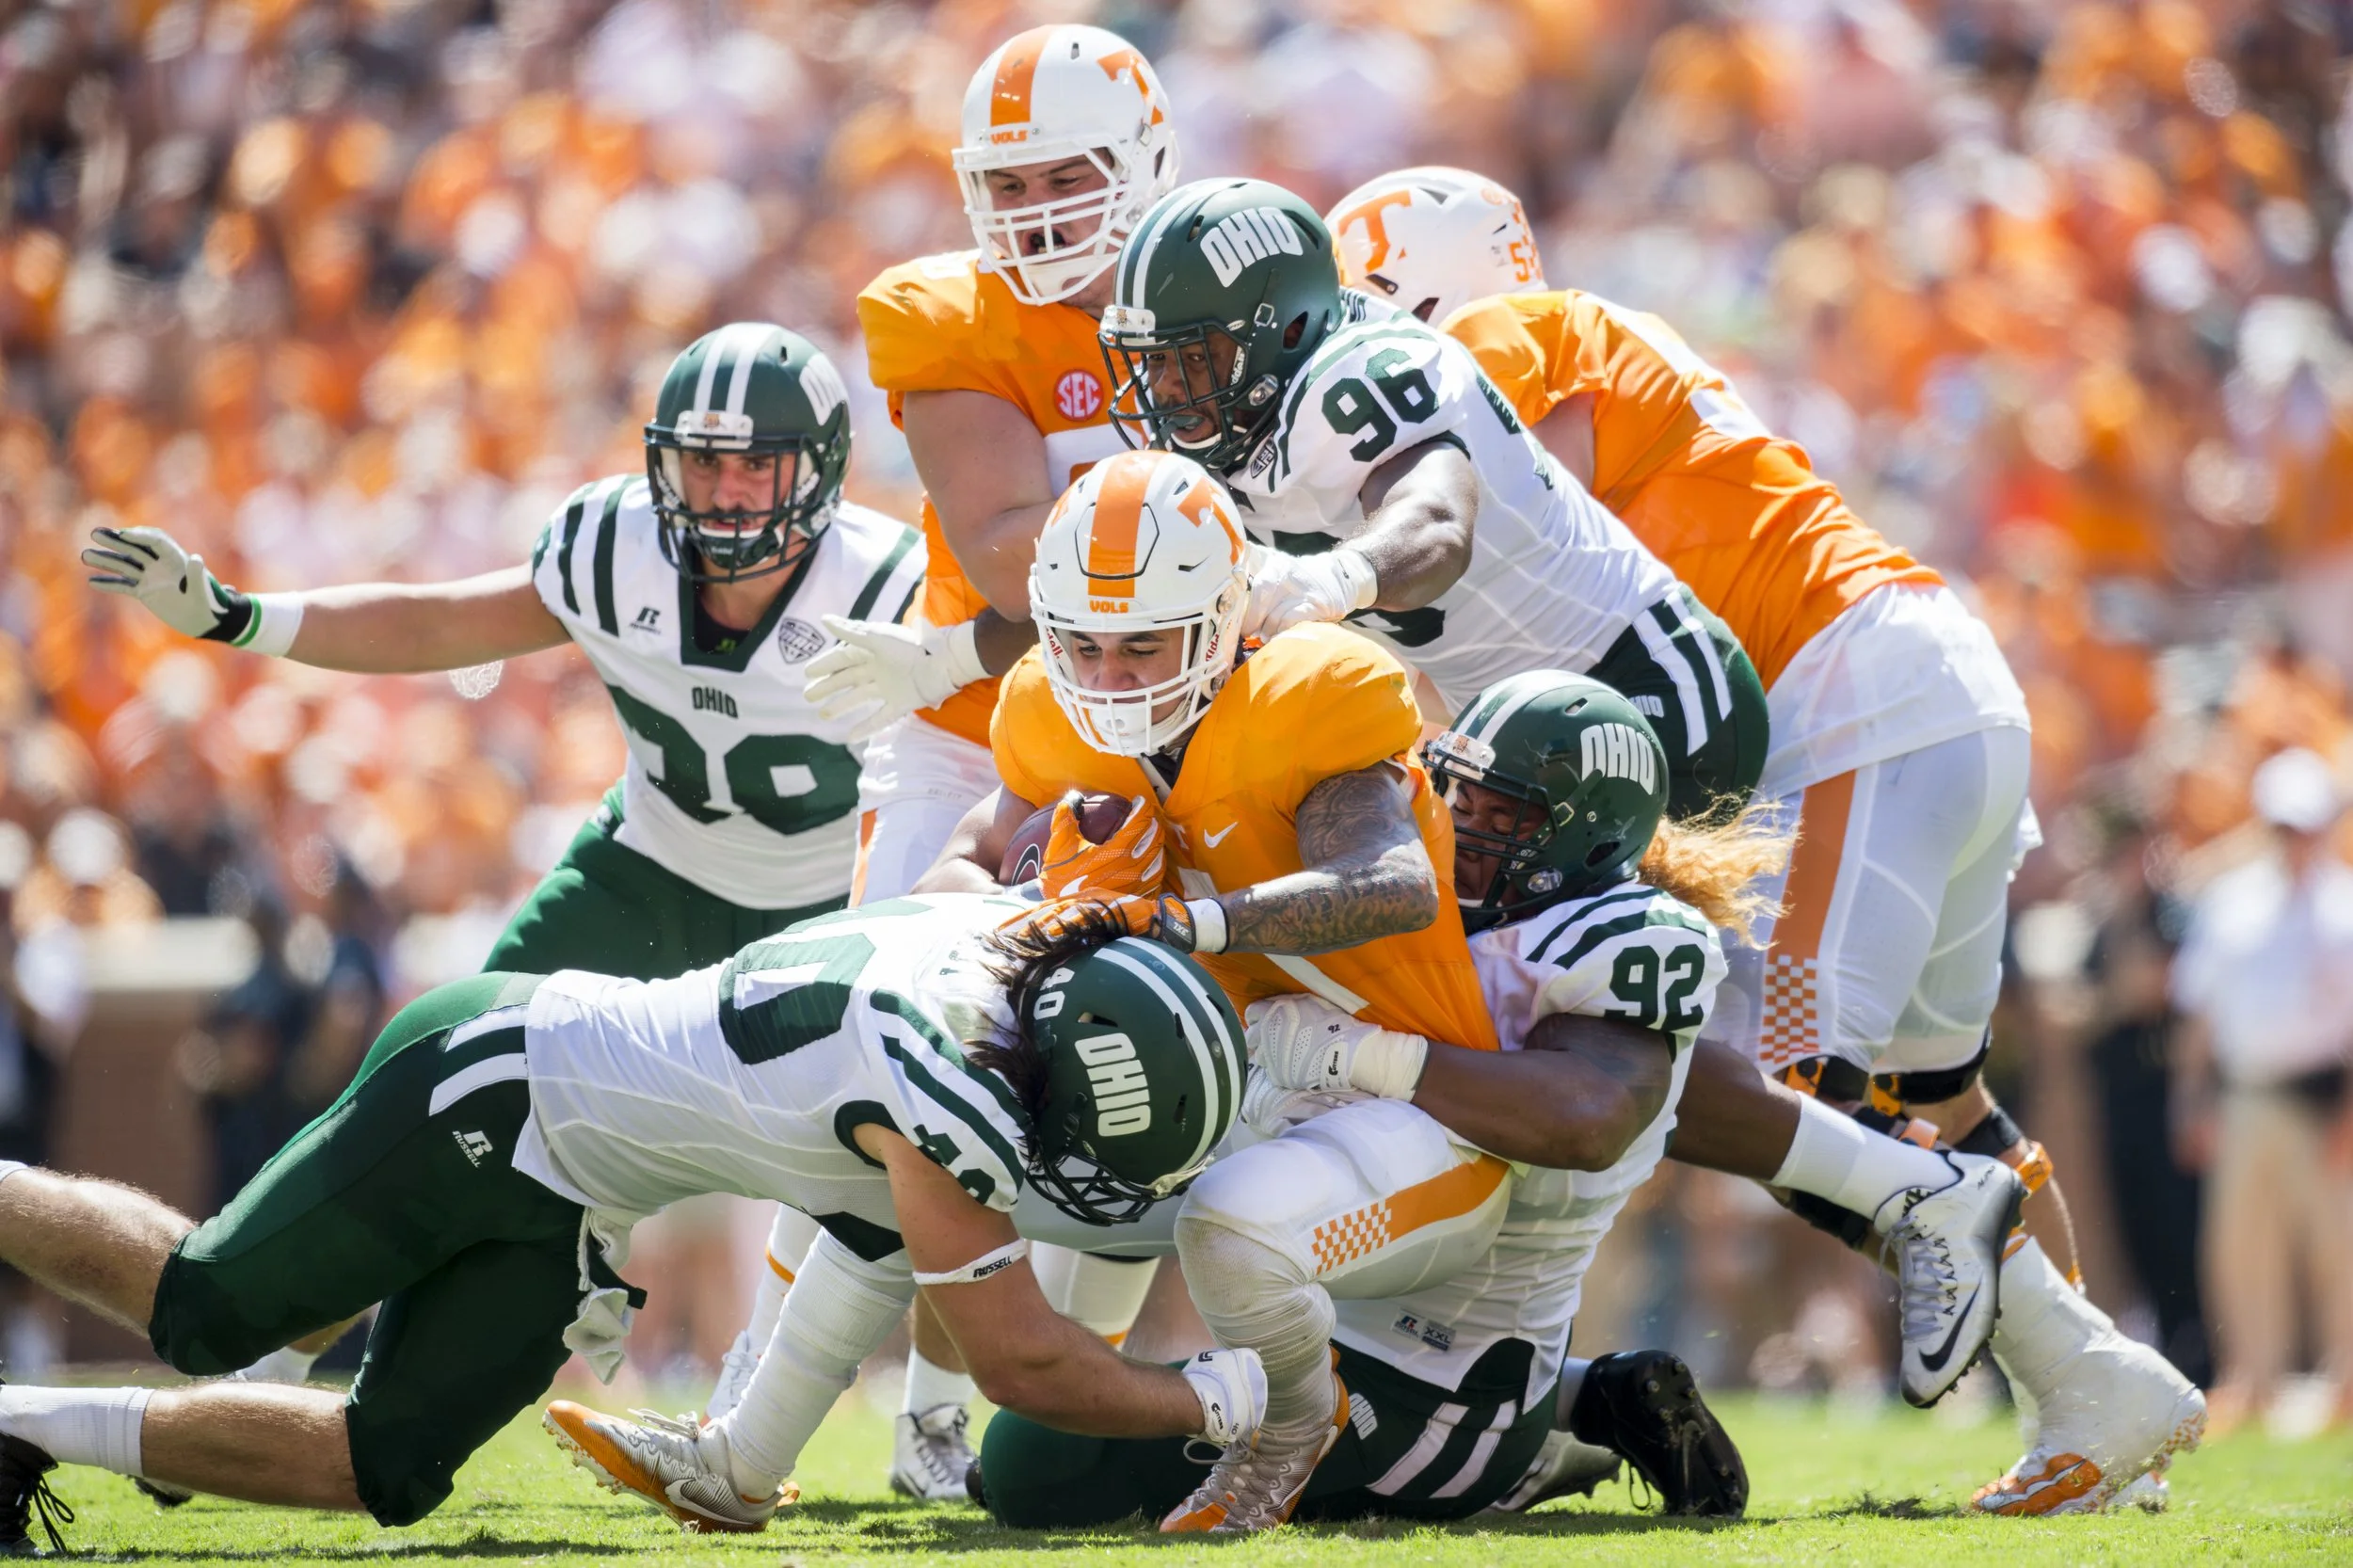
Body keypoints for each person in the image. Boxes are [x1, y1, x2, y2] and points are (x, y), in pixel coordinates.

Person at [1325, 165, 2203, 1512]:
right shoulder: (1586, 334)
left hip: (1848, 710)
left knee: (1782, 1095)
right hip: (1918, 689)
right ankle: (2092, 1420)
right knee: (1940, 1101)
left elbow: (1505, 541)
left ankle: (2097, 1381)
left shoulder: (1506, 339)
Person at [82, 322, 923, 1396]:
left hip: (821, 909)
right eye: (702, 463)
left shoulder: (886, 585)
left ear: (820, 470)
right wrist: (245, 618)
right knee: (436, 1102)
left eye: (757, 465)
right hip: (647, 874)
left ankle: (918, 1417)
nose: (725, 494)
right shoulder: (616, 548)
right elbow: (442, 627)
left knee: (902, 1159)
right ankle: (275, 1371)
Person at [0, 894, 1262, 1550]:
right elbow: (1022, 1361)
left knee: (385, 1468)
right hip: (495, 1083)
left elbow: (873, 1239)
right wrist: (1216, 1398)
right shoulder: (943, 1092)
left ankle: (21, 1423)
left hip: (575, 1190)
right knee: (202, 1311)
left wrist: (746, 1460)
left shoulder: (996, 946)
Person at [977, 670, 1773, 1532]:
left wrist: (1359, 1053)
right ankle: (1594, 1397)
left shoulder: (1619, 934)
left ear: (1590, 834)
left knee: (1038, 1470)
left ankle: (1528, 1440)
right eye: (1459, 796)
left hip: (1449, 1373)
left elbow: (1586, 1120)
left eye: (1504, 814)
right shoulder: (1412, 888)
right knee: (1053, 1391)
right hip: (1329, 1302)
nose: (1464, 825)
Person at [771, 25, 1186, 1489]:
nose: (1036, 209)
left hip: (1164, 744)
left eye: (1067, 173)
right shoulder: (949, 313)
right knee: (892, 1056)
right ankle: (773, 1406)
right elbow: (1022, 560)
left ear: (1144, 162)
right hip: (975, 741)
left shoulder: (1217, 283)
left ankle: (991, 1423)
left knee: (1135, 1092)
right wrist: (1215, 518)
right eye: (1008, 181)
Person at [1096, 176, 1769, 824]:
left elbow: (1438, 525)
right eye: (1153, 359)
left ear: (1289, 330)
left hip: (1646, 683)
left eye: (1195, 358)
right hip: (1503, 731)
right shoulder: (1232, 417)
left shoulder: (1362, 376)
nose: (1167, 388)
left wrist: (1331, 580)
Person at [2170, 747, 2353, 1433]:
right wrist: (2191, 1097)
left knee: (2338, 1245)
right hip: (2247, 1095)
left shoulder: (2344, 906)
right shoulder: (2233, 902)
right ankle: (2251, 1375)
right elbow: (2200, 1010)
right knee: (2242, 1244)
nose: (2293, 840)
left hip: (2324, 1099)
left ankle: (2344, 1377)